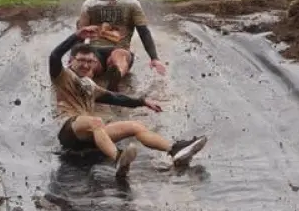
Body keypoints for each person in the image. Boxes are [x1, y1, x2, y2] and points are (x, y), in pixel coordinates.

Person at [48, 30, 205, 180]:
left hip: (89, 136)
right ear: (70, 61)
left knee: (135, 126)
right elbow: (54, 56)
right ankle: (118, 159)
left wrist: (143, 102)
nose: (86, 65)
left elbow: (114, 98)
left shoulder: (89, 84)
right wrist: (76, 36)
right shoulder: (62, 75)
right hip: (68, 131)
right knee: (96, 121)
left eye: (90, 61)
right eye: (81, 60)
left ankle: (174, 150)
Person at [76, 0, 168, 85]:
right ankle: (87, 85)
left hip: (120, 49)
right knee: (87, 65)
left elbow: (143, 31)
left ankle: (115, 77)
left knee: (117, 56)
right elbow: (80, 34)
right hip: (95, 50)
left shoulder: (132, 3)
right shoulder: (89, 4)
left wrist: (154, 58)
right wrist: (75, 56)